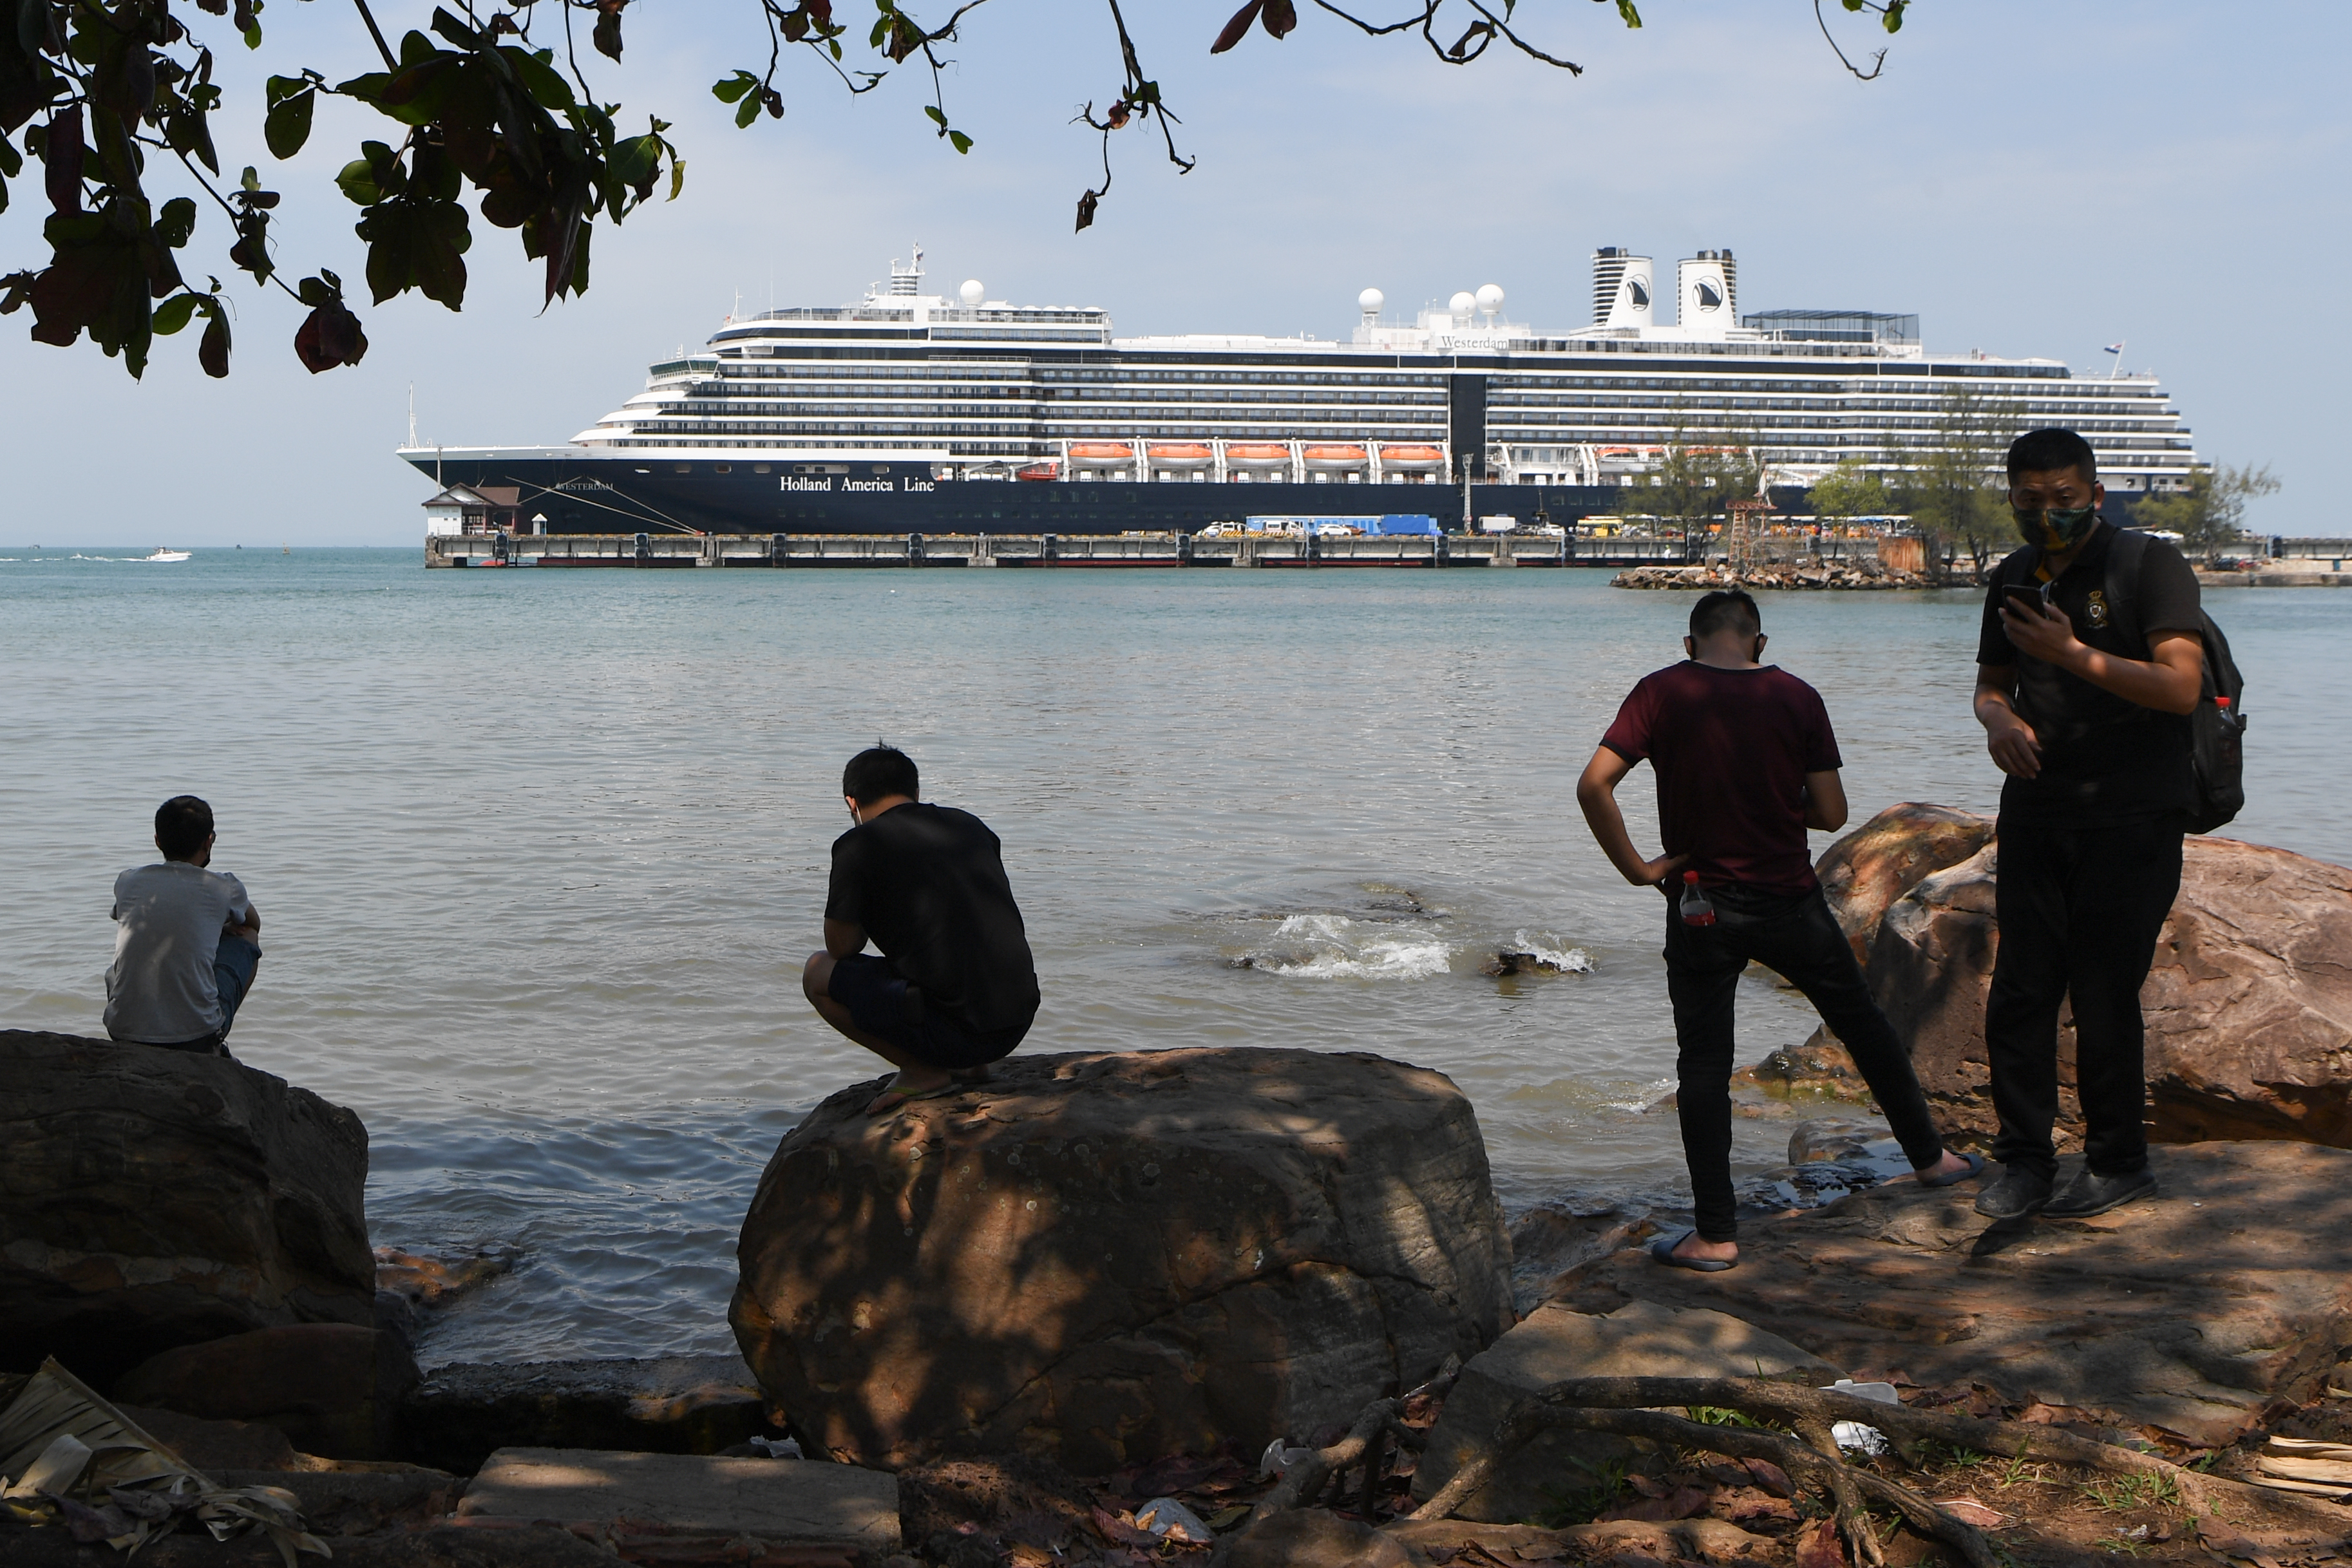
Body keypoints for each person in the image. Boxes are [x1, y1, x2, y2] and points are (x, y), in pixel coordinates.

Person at [1577, 590, 1981, 1271]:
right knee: (1862, 1022)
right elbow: (1829, 812)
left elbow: (1594, 785)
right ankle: (1931, 1158)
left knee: (1703, 1064)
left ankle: (1714, 1234)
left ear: (1689, 643)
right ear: (1759, 643)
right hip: (1791, 904)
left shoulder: (1660, 691)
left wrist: (1638, 870)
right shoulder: (1796, 695)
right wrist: (1770, 797)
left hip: (1700, 905)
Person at [1969, 428, 2205, 1223]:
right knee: (2021, 989)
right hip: (2037, 808)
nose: (2048, 515)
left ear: (2095, 496)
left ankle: (2116, 1161)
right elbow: (1990, 685)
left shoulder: (2146, 565)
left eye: (2064, 500)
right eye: (2030, 501)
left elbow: (2179, 687)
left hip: (2133, 811)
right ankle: (2024, 1164)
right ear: (2012, 499)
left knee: (2104, 991)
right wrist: (1997, 721)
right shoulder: (2011, 575)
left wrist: (2072, 654)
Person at [803, 746, 1041, 1115]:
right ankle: (971, 1068)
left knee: (816, 972)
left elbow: (842, 946)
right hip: (1015, 1021)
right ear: (916, 792)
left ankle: (923, 1071)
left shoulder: (858, 845)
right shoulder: (970, 826)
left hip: (956, 1031)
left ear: (853, 803)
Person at [106, 795, 263, 1055]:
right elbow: (252, 924)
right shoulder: (224, 886)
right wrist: (219, 925)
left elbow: (132, 916)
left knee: (115, 970)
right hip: (195, 1037)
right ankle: (215, 1039)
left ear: (157, 840)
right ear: (209, 840)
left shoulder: (128, 881)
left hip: (122, 1031)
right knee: (247, 939)